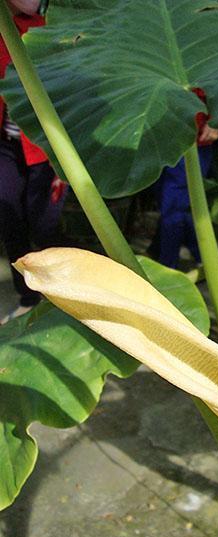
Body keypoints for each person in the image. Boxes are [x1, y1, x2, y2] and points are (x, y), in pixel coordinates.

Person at [0, 0, 66, 324]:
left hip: (47, 149)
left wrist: (64, 164)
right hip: (7, 144)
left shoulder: (55, 28)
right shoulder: (3, 26)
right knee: (10, 218)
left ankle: (62, 297)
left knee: (44, 226)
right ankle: (28, 297)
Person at [148, 89, 218, 269]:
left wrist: (217, 120)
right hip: (158, 139)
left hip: (191, 144)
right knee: (169, 204)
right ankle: (202, 257)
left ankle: (167, 267)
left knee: (174, 207)